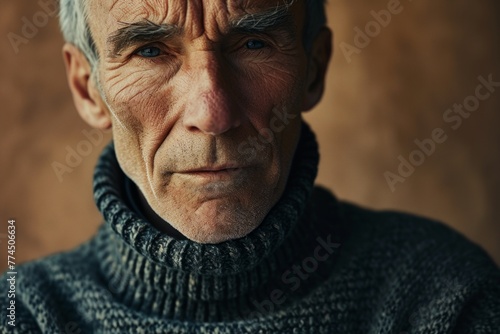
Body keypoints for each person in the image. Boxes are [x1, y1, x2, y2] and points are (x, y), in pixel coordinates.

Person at [1, 0, 499, 333]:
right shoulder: (22, 315)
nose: (213, 114)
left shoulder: (443, 297)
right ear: (88, 88)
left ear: (314, 68)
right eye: (150, 51)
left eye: (253, 44)